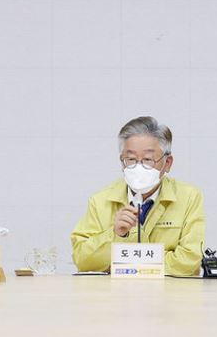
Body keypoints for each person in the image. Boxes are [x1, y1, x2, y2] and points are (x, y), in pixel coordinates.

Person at [70, 117, 205, 276]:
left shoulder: (189, 197)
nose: (138, 167)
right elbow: (82, 260)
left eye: (148, 160)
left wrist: (123, 263)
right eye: (131, 159)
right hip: (116, 291)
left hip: (169, 290)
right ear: (122, 162)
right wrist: (116, 234)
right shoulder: (100, 200)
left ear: (167, 163)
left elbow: (190, 260)